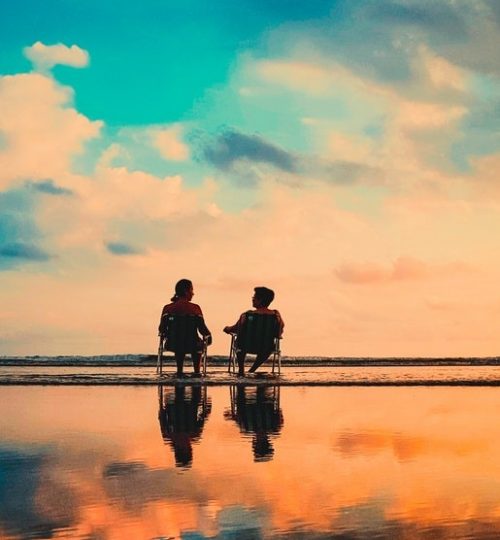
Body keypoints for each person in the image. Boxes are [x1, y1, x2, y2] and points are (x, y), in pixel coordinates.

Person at [223, 286, 284, 376]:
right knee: (268, 347)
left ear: (260, 300)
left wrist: (227, 329)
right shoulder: (276, 315)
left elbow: (236, 328)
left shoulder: (247, 315)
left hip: (246, 346)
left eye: (254, 297)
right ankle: (252, 369)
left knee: (239, 343)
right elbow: (280, 329)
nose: (253, 299)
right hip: (266, 347)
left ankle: (241, 370)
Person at [159, 279, 212, 376]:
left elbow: (161, 329)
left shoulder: (167, 308)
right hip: (192, 344)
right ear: (185, 291)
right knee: (198, 343)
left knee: (179, 343)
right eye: (191, 290)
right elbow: (202, 329)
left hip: (172, 344)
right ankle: (197, 372)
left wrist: (167, 334)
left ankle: (180, 371)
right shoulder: (195, 308)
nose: (193, 293)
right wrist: (209, 337)